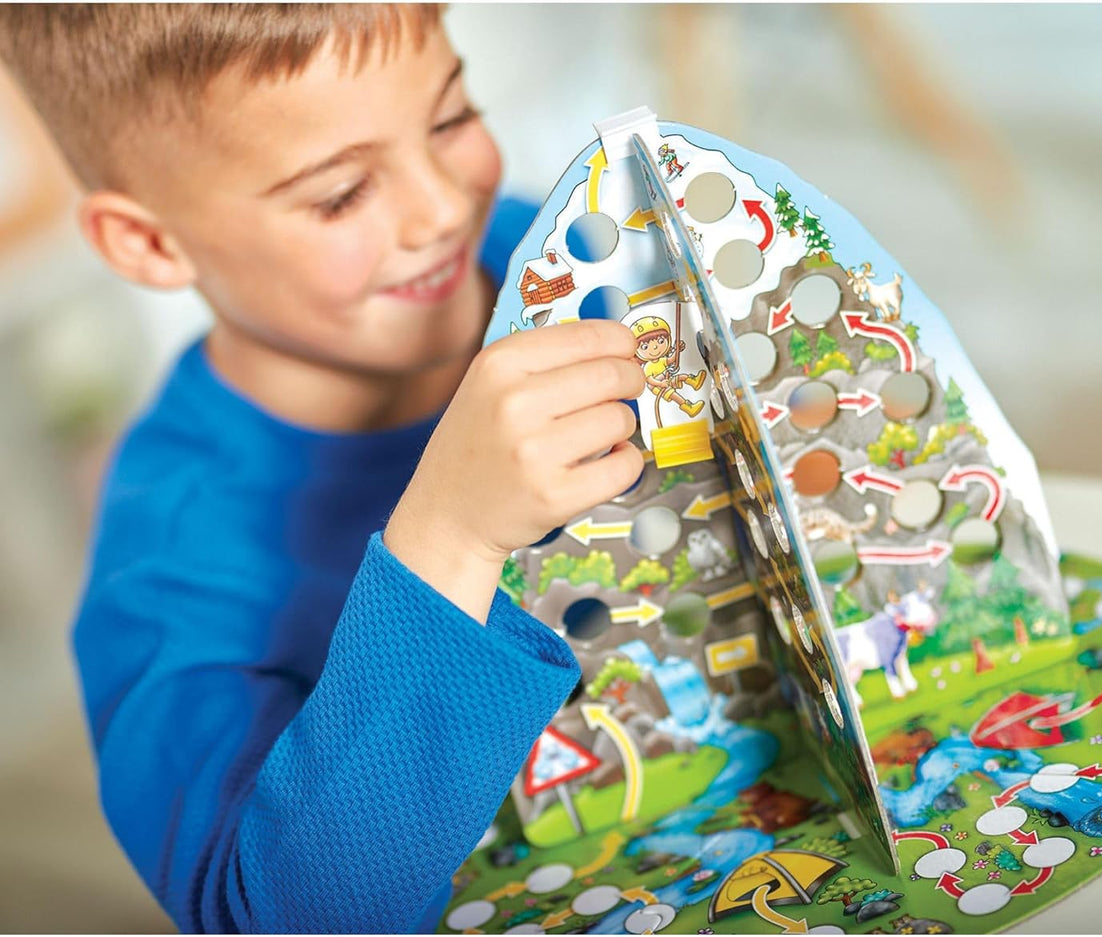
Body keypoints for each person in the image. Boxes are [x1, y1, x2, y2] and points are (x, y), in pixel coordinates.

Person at [0, 5, 647, 932]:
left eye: (452, 118)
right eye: (342, 193)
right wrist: (452, 540)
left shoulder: (549, 254)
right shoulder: (170, 570)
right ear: (150, 243)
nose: (441, 207)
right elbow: (273, 915)